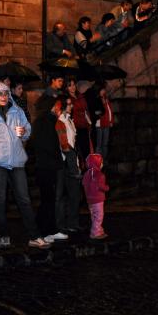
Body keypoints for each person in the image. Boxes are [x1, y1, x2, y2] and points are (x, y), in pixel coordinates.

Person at [0, 82, 50, 249]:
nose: (4, 96)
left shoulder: (17, 111)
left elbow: (27, 130)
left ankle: (34, 236)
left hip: (16, 162)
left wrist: (24, 133)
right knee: (0, 200)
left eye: (6, 93)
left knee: (24, 199)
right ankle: (3, 235)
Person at [30, 96, 68, 243]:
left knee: (51, 200)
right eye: (57, 106)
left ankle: (51, 230)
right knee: (47, 200)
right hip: (45, 166)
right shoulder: (42, 122)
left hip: (50, 166)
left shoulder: (49, 121)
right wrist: (57, 156)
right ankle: (43, 230)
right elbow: (46, 145)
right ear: (50, 107)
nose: (59, 109)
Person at [55, 94, 81, 235]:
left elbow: (73, 143)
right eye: (69, 104)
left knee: (74, 195)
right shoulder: (60, 122)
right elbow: (65, 145)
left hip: (72, 161)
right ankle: (61, 225)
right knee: (63, 196)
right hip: (64, 162)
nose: (71, 106)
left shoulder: (69, 121)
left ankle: (73, 223)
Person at [83, 153, 108, 240]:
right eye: (101, 162)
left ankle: (99, 229)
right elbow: (101, 187)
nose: (102, 164)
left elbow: (84, 185)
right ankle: (95, 233)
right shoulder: (100, 175)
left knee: (94, 215)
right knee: (99, 216)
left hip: (90, 200)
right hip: (98, 200)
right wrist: (107, 188)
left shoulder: (86, 174)